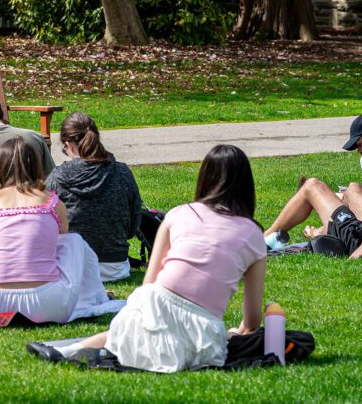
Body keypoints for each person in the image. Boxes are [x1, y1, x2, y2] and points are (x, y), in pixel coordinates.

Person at [55, 145, 267, 373]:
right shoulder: (253, 235)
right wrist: (238, 331)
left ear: (204, 178)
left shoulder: (179, 214)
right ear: (247, 186)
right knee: (190, 333)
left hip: (153, 306)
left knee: (132, 329)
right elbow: (253, 320)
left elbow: (149, 283)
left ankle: (73, 348)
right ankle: (77, 349)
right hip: (202, 335)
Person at [0, 137, 122, 323]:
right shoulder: (52, 202)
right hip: (47, 303)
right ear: (36, 166)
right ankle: (94, 296)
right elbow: (62, 240)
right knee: (73, 241)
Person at [46, 112, 142, 281]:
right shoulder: (122, 172)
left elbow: (45, 227)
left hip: (71, 267)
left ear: (69, 144)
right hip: (115, 267)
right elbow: (133, 226)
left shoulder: (57, 178)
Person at [263, 115, 362, 259]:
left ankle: (263, 239)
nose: (358, 150)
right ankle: (325, 234)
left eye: (359, 144)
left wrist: (356, 254)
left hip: (356, 239)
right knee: (351, 190)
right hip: (355, 230)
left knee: (313, 186)